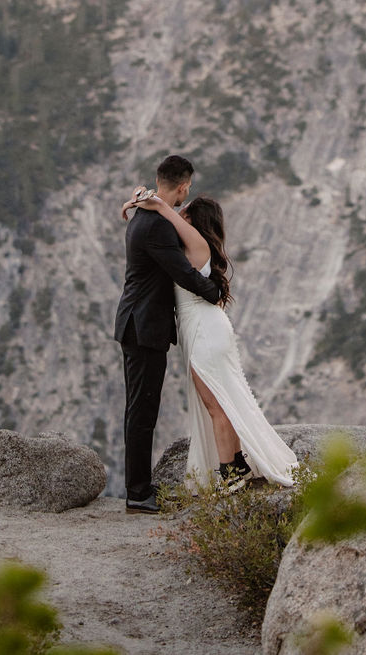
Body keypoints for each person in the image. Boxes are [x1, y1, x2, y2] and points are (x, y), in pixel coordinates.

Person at [120, 189, 298, 493]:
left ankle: (230, 472)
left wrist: (155, 203)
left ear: (193, 218)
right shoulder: (191, 244)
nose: (181, 212)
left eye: (186, 210)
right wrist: (136, 202)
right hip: (202, 329)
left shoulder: (197, 244)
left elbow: (167, 217)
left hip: (205, 331)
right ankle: (237, 463)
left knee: (215, 402)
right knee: (220, 399)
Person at [113, 153, 221, 513]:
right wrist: (215, 292)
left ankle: (139, 487)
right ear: (183, 186)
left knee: (141, 409)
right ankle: (138, 493)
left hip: (139, 324)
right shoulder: (157, 225)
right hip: (144, 327)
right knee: (142, 412)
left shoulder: (144, 213)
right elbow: (181, 271)